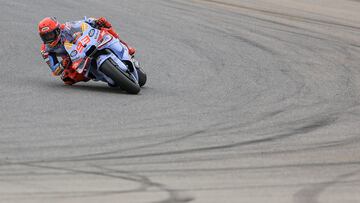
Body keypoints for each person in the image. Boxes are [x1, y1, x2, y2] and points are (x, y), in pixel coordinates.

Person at [38, 17, 136, 85]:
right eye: (45, 37)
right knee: (67, 78)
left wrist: (95, 21)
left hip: (85, 44)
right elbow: (55, 70)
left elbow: (83, 23)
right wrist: (63, 64)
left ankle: (125, 46)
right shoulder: (45, 49)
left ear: (57, 30)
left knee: (103, 25)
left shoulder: (67, 27)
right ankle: (104, 76)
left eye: (50, 35)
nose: (48, 39)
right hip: (73, 58)